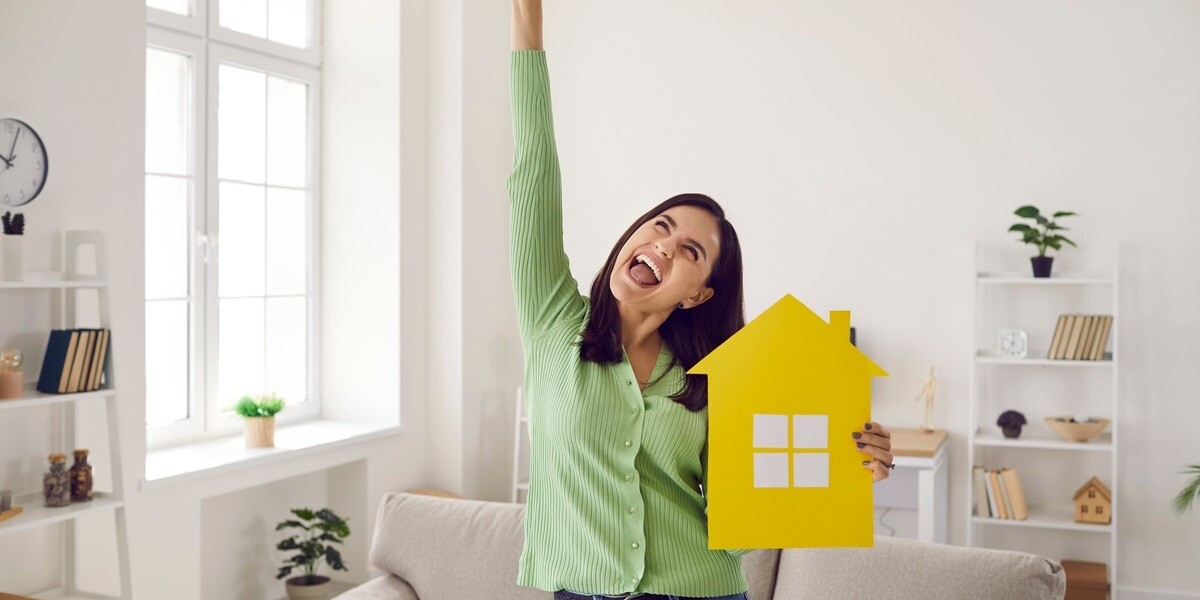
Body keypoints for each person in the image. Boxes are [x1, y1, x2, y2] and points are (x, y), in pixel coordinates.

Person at [507, 2, 894, 598]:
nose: (664, 246)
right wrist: (528, 22)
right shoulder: (552, 320)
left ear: (700, 294)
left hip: (703, 589)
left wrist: (848, 465)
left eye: (690, 251)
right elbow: (534, 169)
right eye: (660, 226)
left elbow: (743, 524)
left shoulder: (720, 376)